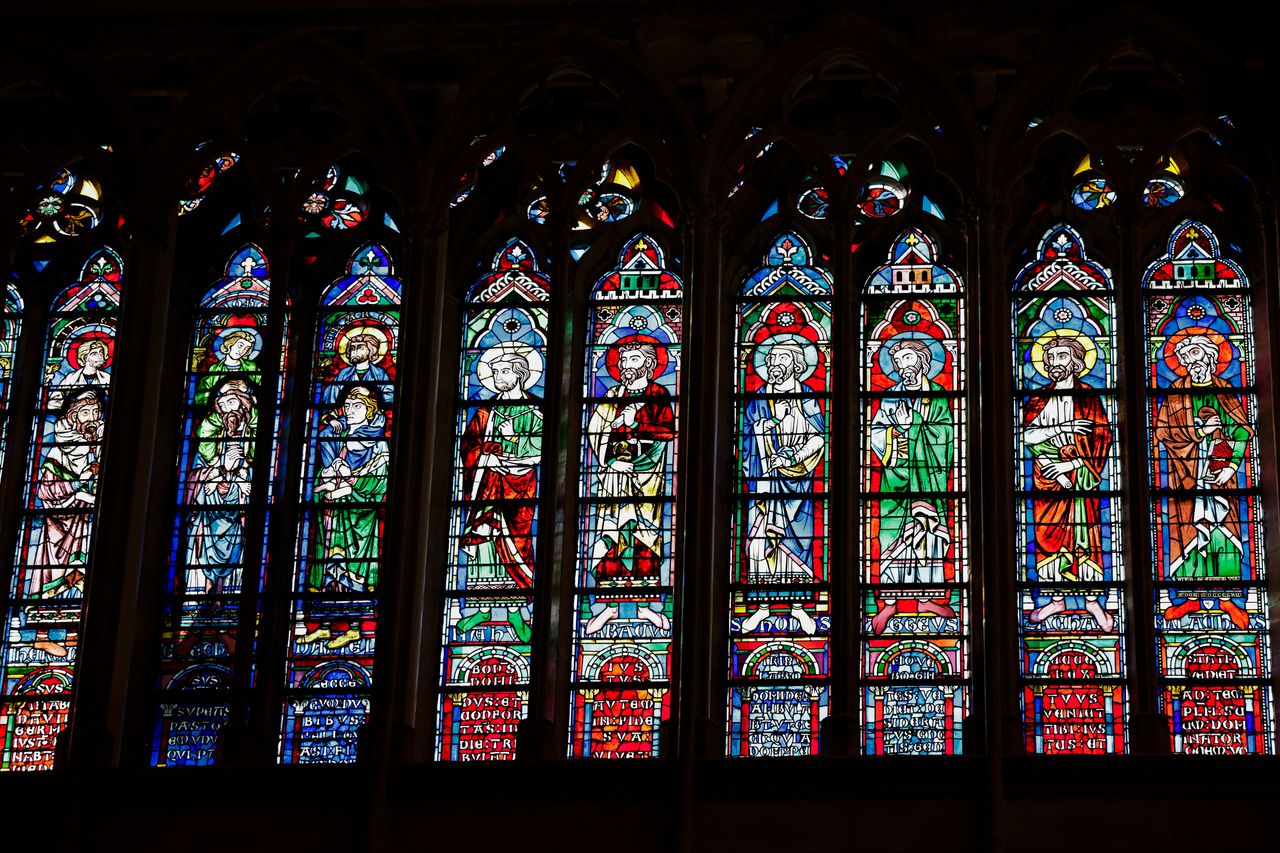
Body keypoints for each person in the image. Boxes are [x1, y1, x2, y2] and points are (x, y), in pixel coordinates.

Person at [1154, 333, 1253, 629]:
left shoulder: (1224, 390)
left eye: (1196, 354)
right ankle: (1189, 599)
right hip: (1185, 475)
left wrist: (1231, 466)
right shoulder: (1174, 392)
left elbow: (1242, 431)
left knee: (1223, 532)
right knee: (1188, 534)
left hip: (1220, 474)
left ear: (1210, 356)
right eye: (1185, 358)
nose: (1191, 362)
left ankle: (1227, 599)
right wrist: (1199, 434)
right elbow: (1162, 433)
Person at [1021, 335, 1115, 632]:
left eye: (1061, 357)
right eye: (1049, 358)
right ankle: (1056, 600)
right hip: (1046, 479)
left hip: (1079, 478)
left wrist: (1072, 464)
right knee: (1048, 537)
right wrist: (1062, 430)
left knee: (1084, 537)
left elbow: (1102, 439)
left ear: (1075, 362)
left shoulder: (1088, 397)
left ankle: (1091, 601)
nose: (1053, 364)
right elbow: (1026, 437)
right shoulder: (1038, 398)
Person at [583, 338, 676, 634]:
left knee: (642, 538)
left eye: (632, 360)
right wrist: (611, 461)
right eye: (623, 361)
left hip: (647, 480)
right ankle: (609, 606)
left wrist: (637, 426)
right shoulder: (612, 395)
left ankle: (646, 605)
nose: (625, 366)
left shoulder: (659, 395)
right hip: (614, 479)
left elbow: (667, 434)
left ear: (648, 364)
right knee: (611, 534)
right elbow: (595, 431)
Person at [867, 338, 957, 634]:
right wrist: (899, 430)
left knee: (929, 536)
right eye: (897, 363)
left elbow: (946, 436)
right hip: (896, 481)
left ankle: (927, 599)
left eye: (907, 360)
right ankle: (890, 602)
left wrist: (915, 422)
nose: (902, 367)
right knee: (893, 537)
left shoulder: (939, 396)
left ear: (922, 362)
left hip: (930, 479)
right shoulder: (891, 397)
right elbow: (877, 434)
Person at [455, 349, 542, 641]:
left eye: (504, 371)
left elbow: (541, 451)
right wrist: (483, 458)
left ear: (519, 374)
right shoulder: (485, 411)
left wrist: (514, 440)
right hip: (486, 485)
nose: (497, 377)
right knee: (485, 542)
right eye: (495, 372)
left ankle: (517, 610)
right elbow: (468, 446)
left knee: (515, 543)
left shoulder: (536, 410)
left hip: (519, 488)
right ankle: (483, 608)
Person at [739, 340, 825, 634]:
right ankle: (762, 607)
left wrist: (792, 455)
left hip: (798, 482)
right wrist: (767, 428)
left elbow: (819, 438)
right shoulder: (759, 397)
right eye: (771, 357)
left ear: (797, 365)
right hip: (764, 482)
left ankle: (799, 607)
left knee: (797, 543)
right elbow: (746, 438)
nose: (774, 363)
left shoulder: (808, 397)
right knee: (760, 542)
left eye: (781, 357)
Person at [301, 385, 389, 650]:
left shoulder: (378, 443)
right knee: (328, 571)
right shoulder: (335, 440)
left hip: (358, 518)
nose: (350, 412)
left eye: (358, 407)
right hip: (332, 514)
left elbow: (381, 482)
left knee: (351, 570)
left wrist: (350, 488)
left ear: (371, 411)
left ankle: (353, 627)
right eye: (348, 406)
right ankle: (324, 626)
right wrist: (326, 484)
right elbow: (320, 474)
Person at [29, 390, 104, 600]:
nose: (93, 418)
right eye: (86, 413)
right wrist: (77, 488)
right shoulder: (58, 452)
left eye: (96, 412)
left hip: (87, 525)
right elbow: (45, 491)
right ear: (73, 416)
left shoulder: (98, 448)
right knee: (57, 579)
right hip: (59, 527)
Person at [184, 380, 257, 598]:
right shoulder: (211, 431)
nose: (227, 409)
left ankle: (225, 593)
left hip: (238, 503)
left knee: (237, 547)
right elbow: (200, 467)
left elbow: (257, 466)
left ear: (243, 405)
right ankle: (202, 594)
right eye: (223, 405)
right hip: (211, 504)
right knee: (204, 546)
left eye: (232, 402)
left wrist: (243, 475)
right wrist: (219, 472)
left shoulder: (253, 433)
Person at [324, 332, 392, 405]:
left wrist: (369, 394)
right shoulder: (343, 373)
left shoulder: (380, 373)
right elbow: (330, 397)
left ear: (371, 351)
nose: (354, 352)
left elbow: (390, 397)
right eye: (352, 348)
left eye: (360, 348)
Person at [196, 328, 257, 406]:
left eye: (246, 348)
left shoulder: (252, 368)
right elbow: (199, 398)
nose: (242, 351)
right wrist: (220, 391)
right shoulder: (214, 369)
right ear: (230, 344)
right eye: (240, 345)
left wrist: (247, 390)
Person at [48, 338, 110, 410]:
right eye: (94, 354)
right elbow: (53, 404)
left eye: (101, 353)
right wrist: (76, 398)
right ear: (85, 357)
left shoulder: (107, 378)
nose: (100, 357)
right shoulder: (71, 378)